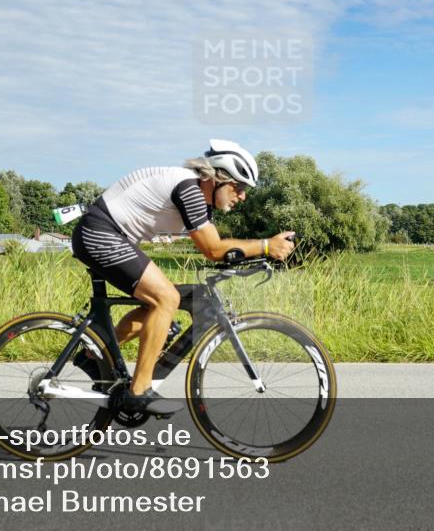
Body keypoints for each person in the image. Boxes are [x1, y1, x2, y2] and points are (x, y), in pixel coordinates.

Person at [70, 139, 296, 415]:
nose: (242, 196)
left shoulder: (199, 196)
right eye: (238, 187)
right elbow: (213, 249)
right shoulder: (188, 189)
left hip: (112, 236)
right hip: (100, 234)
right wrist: (264, 246)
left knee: (181, 299)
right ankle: (138, 391)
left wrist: (254, 255)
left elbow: (218, 247)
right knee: (166, 298)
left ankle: (94, 354)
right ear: (217, 178)